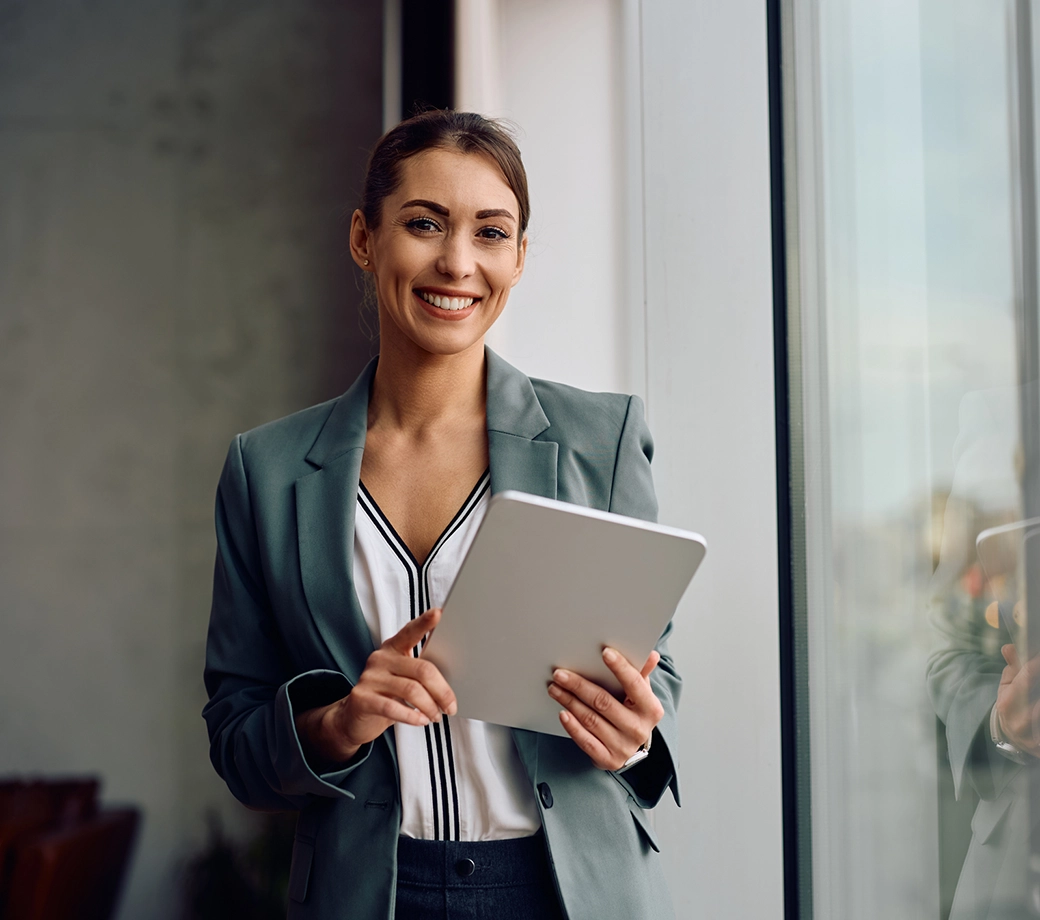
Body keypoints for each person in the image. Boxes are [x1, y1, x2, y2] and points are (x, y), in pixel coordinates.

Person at [202, 110, 681, 920]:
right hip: (371, 894)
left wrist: (634, 734)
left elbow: (653, 671)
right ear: (364, 237)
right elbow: (237, 738)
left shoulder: (603, 440)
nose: (457, 263)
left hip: (568, 891)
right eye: (424, 224)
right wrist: (340, 721)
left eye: (491, 233)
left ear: (520, 257)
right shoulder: (267, 470)